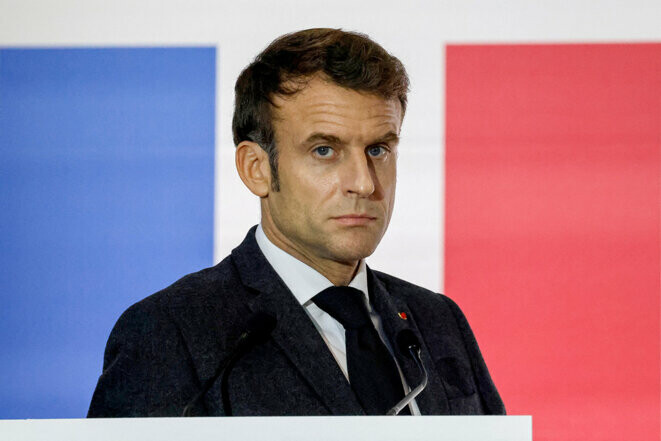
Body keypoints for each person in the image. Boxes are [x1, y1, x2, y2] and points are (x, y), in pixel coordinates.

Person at [87, 28, 505, 417]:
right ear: (257, 168)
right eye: (325, 150)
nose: (363, 183)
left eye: (378, 149)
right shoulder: (170, 334)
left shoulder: (438, 321)